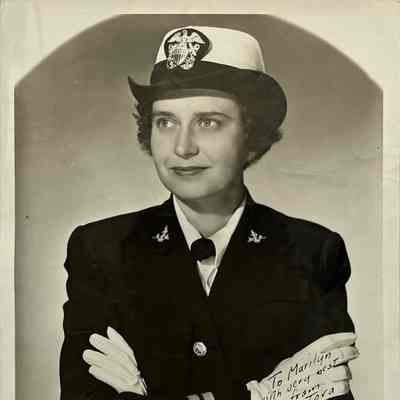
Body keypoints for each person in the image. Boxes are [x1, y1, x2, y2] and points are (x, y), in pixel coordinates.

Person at [60, 26, 358, 400]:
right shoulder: (99, 249)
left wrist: (140, 394)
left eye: (208, 122)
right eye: (165, 122)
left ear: (253, 135)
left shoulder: (313, 253)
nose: (182, 147)